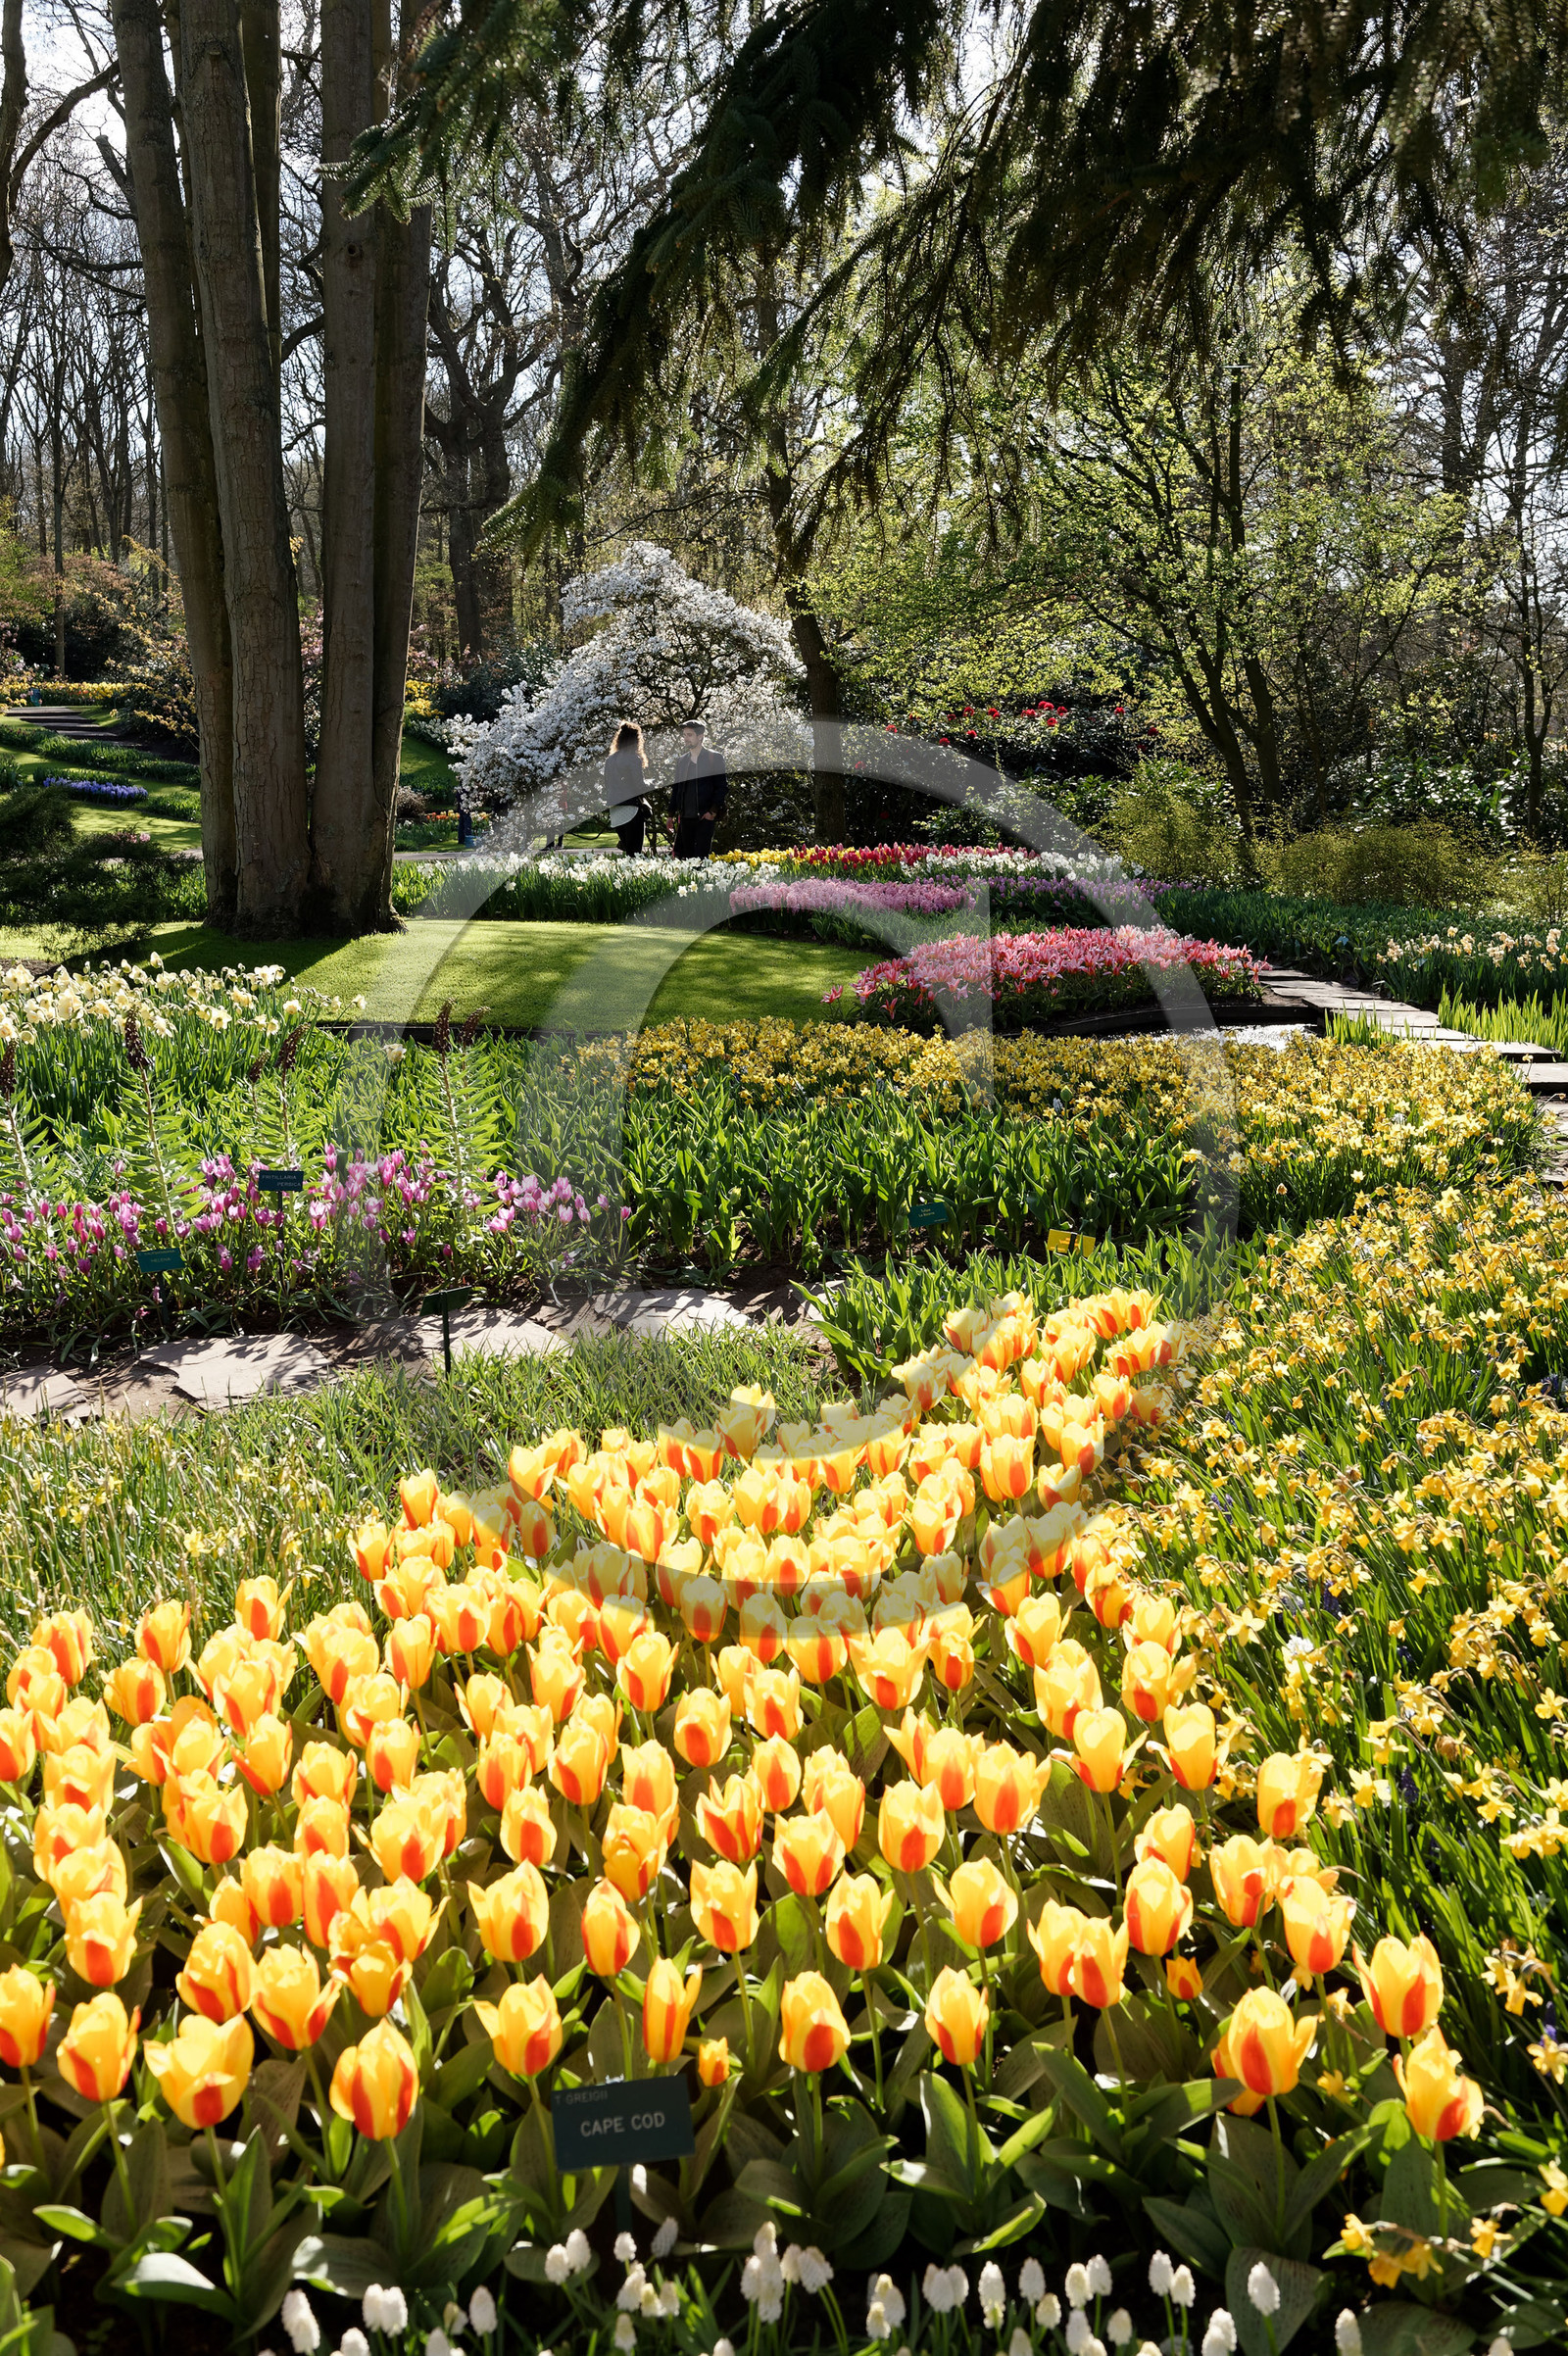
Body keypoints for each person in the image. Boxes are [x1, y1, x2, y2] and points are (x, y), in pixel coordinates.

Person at [668, 718, 727, 859]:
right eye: (684, 735)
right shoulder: (682, 760)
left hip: (704, 818)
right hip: (685, 818)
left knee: (701, 859)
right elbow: (676, 788)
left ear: (700, 736)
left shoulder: (714, 758)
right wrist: (671, 814)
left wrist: (712, 812)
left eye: (689, 735)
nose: (685, 738)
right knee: (687, 859)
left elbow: (722, 787)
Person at [604, 721, 654, 855]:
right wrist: (652, 784)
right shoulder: (633, 758)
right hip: (631, 809)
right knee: (635, 853)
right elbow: (639, 786)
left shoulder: (610, 760)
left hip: (615, 810)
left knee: (628, 851)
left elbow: (607, 784)